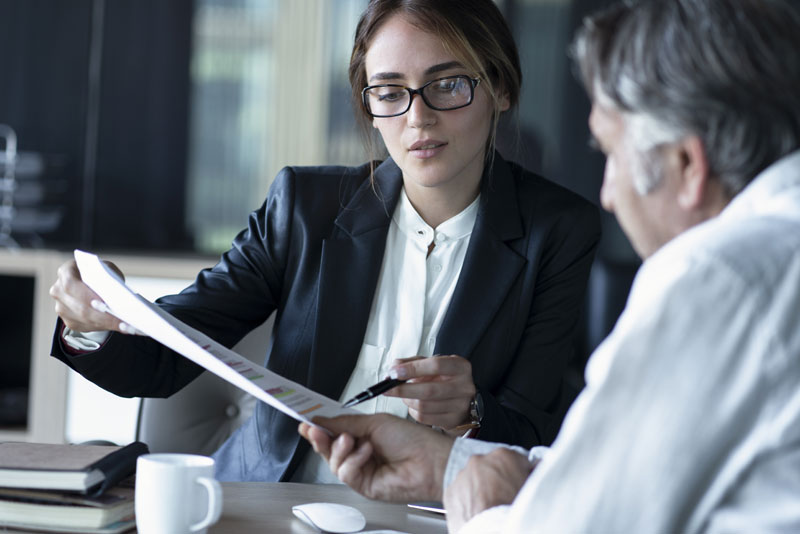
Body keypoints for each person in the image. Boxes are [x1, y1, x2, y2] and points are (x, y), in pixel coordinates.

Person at [49, 0, 600, 483]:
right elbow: (162, 358)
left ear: (500, 88)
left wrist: (470, 411)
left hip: (433, 515)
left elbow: (535, 436)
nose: (419, 118)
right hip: (272, 504)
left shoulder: (558, 231)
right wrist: (90, 321)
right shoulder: (303, 207)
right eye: (390, 92)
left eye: (448, 84)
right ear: (370, 107)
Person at [299, 0, 800, 531]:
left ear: (686, 165)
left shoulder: (718, 279)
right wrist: (450, 467)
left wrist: (481, 509)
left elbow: (581, 523)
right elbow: (618, 477)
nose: (608, 194)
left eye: (612, 154)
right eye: (389, 91)